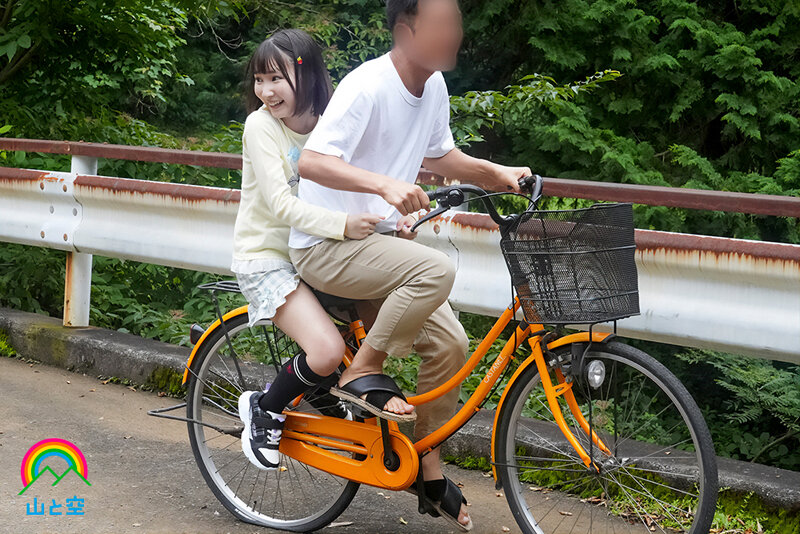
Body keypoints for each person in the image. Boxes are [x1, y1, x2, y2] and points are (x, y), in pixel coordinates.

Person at [288, 0, 532, 530]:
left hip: (373, 245)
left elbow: (440, 156)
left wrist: (496, 173)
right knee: (434, 270)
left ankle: (426, 467)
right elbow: (311, 161)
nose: (455, 33)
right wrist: (384, 185)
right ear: (406, 30)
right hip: (326, 243)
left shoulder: (434, 86)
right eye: (443, 24)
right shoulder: (368, 86)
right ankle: (363, 369)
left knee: (451, 344)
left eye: (457, 22)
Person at [232, 29, 384, 472]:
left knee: (385, 325)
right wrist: (344, 225)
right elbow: (281, 205)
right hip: (269, 258)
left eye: (276, 79)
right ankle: (265, 410)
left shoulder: (332, 120)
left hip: (320, 251)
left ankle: (362, 427)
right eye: (260, 79)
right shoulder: (261, 126)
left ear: (308, 74)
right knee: (326, 351)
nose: (266, 91)